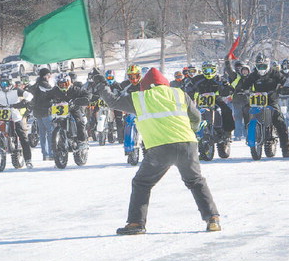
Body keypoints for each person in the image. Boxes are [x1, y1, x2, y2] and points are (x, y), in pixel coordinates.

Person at [91, 68, 221, 234]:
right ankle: (213, 219)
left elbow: (113, 101)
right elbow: (196, 117)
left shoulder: (141, 98)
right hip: (188, 144)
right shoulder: (179, 94)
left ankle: (136, 224)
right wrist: (191, 131)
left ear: (145, 86)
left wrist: (101, 83)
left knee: (142, 183)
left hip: (160, 148)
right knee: (196, 181)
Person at [241, 52, 289, 157]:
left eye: (263, 66)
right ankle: (248, 129)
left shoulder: (275, 73)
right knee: (245, 109)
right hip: (256, 100)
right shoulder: (253, 74)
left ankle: (285, 148)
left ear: (268, 65)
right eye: (259, 66)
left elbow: (285, 81)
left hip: (271, 100)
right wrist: (243, 90)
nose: (261, 68)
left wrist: (282, 88)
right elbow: (245, 84)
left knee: (279, 120)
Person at [0, 74, 34, 168]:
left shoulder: (16, 90)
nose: (4, 85)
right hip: (0, 115)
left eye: (6, 83)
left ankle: (28, 160)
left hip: (14, 115)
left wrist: (24, 102)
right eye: (2, 83)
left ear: (10, 83)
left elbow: (29, 95)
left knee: (22, 136)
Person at [187, 61, 235, 137]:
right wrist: (190, 93)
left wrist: (226, 89)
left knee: (227, 110)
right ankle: (192, 131)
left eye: (210, 70)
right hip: (201, 100)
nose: (208, 72)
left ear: (214, 70)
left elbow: (229, 89)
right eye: (206, 70)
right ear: (203, 70)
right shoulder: (197, 79)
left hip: (216, 99)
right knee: (191, 112)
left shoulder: (219, 79)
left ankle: (227, 131)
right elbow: (189, 88)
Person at [44, 73, 90, 149]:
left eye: (65, 84)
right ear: (57, 84)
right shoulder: (55, 90)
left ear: (69, 82)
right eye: (61, 84)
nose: (63, 86)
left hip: (74, 109)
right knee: (52, 122)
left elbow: (86, 94)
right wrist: (45, 102)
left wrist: (82, 100)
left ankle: (82, 141)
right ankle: (57, 142)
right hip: (59, 111)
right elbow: (45, 97)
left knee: (79, 121)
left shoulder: (75, 89)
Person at [27, 67, 55, 161]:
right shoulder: (44, 85)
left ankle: (45, 154)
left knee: (42, 134)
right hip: (46, 111)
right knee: (50, 133)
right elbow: (52, 94)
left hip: (37, 112)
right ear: (45, 75)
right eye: (49, 75)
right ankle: (51, 153)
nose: (50, 76)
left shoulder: (35, 84)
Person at [224, 58, 250, 140]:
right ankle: (238, 135)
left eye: (241, 67)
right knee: (238, 118)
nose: (239, 69)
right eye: (237, 67)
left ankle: (247, 135)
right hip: (237, 100)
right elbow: (228, 70)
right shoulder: (235, 76)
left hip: (247, 100)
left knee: (247, 118)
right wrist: (227, 61)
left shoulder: (250, 77)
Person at [105, 69, 124, 143]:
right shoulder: (105, 86)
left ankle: (121, 138)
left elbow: (122, 93)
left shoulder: (118, 85)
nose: (109, 79)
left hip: (117, 105)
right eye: (108, 78)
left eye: (111, 78)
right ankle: (110, 138)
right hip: (107, 106)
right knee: (110, 122)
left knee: (119, 121)